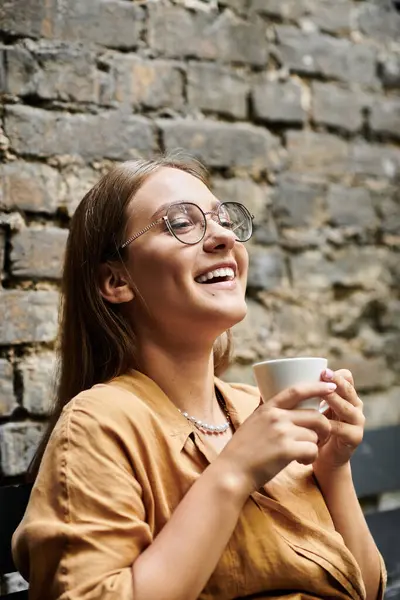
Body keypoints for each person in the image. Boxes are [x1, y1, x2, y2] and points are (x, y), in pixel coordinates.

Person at [13, 156, 386, 600]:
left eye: (223, 220)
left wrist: (333, 466)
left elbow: (366, 587)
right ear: (116, 280)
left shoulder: (257, 409)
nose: (224, 237)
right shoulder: (99, 423)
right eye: (180, 223)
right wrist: (233, 472)